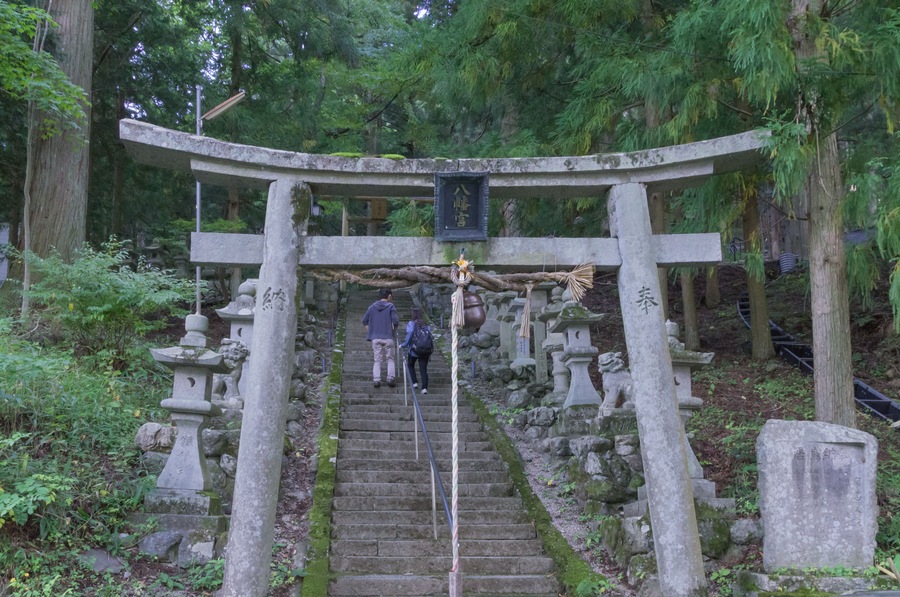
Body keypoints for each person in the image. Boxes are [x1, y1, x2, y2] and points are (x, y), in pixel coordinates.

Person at [362, 288, 399, 388]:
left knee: (377, 360)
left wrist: (371, 332)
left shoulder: (372, 307)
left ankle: (377, 380)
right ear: (389, 296)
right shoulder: (391, 306)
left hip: (375, 338)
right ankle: (390, 378)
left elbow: (364, 321)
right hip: (388, 337)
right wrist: (393, 330)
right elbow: (395, 321)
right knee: (390, 359)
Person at [400, 307, 432, 395]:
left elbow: (409, 334)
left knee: (410, 365)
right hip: (425, 350)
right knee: (423, 369)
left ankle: (414, 382)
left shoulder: (411, 323)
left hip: (414, 350)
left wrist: (404, 344)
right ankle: (424, 388)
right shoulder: (425, 325)